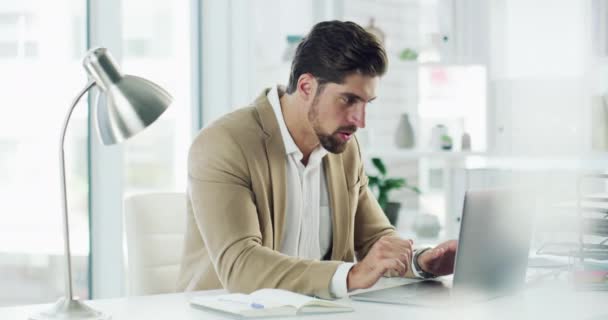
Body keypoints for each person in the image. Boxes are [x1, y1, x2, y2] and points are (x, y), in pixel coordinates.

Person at [177, 20, 457, 299]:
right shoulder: (224, 144)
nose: (360, 121)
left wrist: (421, 262)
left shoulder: (343, 147)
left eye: (366, 103)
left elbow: (375, 240)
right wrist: (351, 275)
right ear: (307, 86)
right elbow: (241, 265)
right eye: (348, 100)